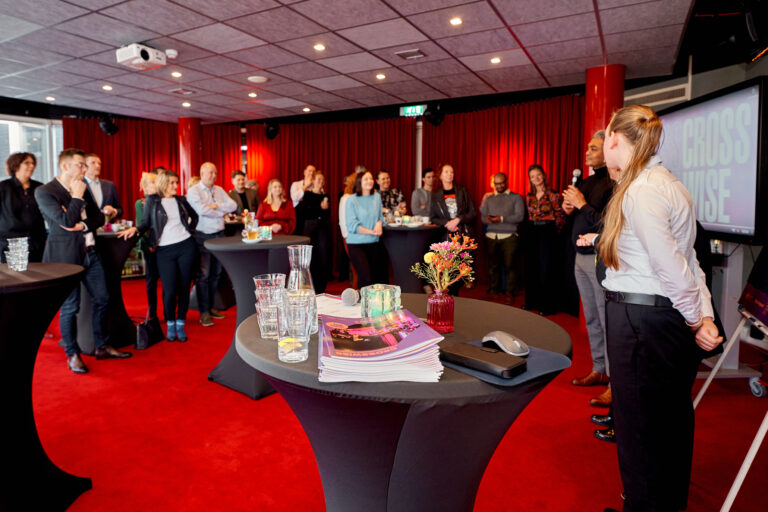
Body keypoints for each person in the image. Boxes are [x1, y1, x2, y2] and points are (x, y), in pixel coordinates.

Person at [598, 105, 722, 512]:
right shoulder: (667, 183)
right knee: (668, 428)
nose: (602, 148)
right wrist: (700, 315)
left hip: (641, 323)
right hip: (660, 321)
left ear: (615, 138)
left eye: (604, 140)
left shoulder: (641, 190)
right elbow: (691, 263)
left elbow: (673, 267)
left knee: (640, 434)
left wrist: (695, 318)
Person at [35, 148, 131, 374]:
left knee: (103, 299)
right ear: (65, 166)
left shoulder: (83, 185)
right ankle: (73, 353)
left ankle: (101, 346)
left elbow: (97, 217)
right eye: (81, 164)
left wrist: (83, 224)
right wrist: (77, 198)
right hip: (65, 258)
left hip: (91, 252)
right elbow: (65, 220)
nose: (85, 169)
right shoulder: (45, 191)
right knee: (71, 306)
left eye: (85, 165)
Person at [562, 131, 615, 400]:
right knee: (592, 317)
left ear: (607, 151)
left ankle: (614, 383)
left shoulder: (612, 182)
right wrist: (569, 208)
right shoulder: (586, 181)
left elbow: (605, 223)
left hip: (599, 257)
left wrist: (581, 204)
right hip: (579, 258)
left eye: (593, 148)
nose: (587, 152)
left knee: (607, 320)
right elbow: (578, 218)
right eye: (587, 148)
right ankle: (599, 369)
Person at [119, 170, 199, 342]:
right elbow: (145, 223)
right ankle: (170, 323)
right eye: (172, 183)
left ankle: (180, 323)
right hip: (164, 250)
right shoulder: (152, 201)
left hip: (186, 246)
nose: (175, 186)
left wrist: (189, 231)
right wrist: (136, 229)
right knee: (169, 290)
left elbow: (195, 216)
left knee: (184, 287)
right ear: (163, 183)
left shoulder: (181, 200)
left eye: (176, 183)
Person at [187, 162, 237, 327]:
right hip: (203, 236)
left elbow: (233, 206)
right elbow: (202, 211)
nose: (213, 176)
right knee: (204, 275)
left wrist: (216, 206)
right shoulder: (194, 191)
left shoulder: (219, 190)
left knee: (216, 273)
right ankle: (204, 312)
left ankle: (211, 306)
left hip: (219, 235)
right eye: (210, 173)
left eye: (215, 173)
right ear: (202, 173)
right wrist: (220, 210)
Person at [523, 164, 565, 315]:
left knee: (546, 268)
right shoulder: (529, 196)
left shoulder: (553, 195)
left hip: (548, 231)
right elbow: (529, 216)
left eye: (538, 175)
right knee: (532, 266)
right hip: (533, 230)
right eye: (533, 176)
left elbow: (560, 216)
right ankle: (532, 302)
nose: (536, 179)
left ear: (544, 176)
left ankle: (547, 306)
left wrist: (555, 234)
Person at [431, 164, 476, 295]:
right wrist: (447, 223)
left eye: (451, 172)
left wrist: (458, 220)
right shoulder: (435, 194)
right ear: (440, 175)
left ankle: (457, 293)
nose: (449, 174)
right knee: (447, 270)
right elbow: (432, 218)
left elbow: (472, 213)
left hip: (462, 234)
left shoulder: (462, 191)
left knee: (460, 267)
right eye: (446, 172)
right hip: (444, 236)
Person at [480, 172, 525, 301]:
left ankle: (509, 292)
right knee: (492, 266)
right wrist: (488, 219)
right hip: (491, 235)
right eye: (497, 184)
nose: (499, 186)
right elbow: (483, 217)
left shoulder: (516, 198)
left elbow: (519, 217)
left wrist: (501, 218)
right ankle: (493, 290)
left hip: (509, 236)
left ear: (506, 182)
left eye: (501, 183)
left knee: (510, 266)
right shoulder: (489, 199)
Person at [0, 152, 46, 262]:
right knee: (15, 278)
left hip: (36, 242)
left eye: (33, 163)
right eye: (27, 163)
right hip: (10, 243)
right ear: (16, 165)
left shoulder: (39, 187)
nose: (32, 166)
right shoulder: (3, 187)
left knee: (39, 276)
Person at [345, 171, 386, 288]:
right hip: (356, 244)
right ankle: (364, 304)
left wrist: (379, 223)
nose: (370, 181)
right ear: (359, 182)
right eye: (366, 179)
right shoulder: (351, 200)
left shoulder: (377, 197)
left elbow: (380, 217)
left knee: (375, 279)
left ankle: (374, 305)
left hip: (374, 243)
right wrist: (372, 232)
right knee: (365, 277)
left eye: (371, 179)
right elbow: (352, 225)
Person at [135, 171, 160, 321]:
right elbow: (141, 225)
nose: (156, 184)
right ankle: (153, 313)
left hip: (163, 244)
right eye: (153, 182)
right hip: (149, 245)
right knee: (151, 281)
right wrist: (151, 244)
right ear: (145, 186)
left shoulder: (162, 200)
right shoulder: (140, 203)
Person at [301, 171, 331, 293]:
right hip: (310, 228)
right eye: (318, 179)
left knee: (323, 256)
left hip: (323, 228)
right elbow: (305, 213)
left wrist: (324, 209)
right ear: (313, 181)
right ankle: (310, 286)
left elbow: (327, 215)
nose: (320, 182)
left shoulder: (326, 196)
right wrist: (320, 208)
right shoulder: (307, 194)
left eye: (322, 180)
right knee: (310, 257)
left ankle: (321, 287)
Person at [84, 153, 122, 221]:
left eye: (99, 163)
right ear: (84, 166)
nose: (97, 166)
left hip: (107, 230)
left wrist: (113, 211)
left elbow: (120, 210)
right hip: (86, 229)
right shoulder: (78, 184)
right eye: (93, 163)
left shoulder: (109, 185)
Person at [338, 172, 358, 288]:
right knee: (357, 269)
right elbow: (343, 223)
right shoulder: (346, 198)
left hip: (362, 237)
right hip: (351, 238)